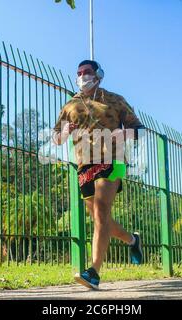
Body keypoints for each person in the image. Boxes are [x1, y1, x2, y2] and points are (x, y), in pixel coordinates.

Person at [52, 60, 145, 290]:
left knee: (102, 209)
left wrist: (121, 136)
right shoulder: (70, 106)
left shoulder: (115, 99)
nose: (83, 76)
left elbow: (139, 130)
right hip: (84, 165)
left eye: (88, 72)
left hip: (114, 160)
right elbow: (56, 139)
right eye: (79, 73)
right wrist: (64, 132)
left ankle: (93, 272)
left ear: (99, 75)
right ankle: (133, 240)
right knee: (99, 218)